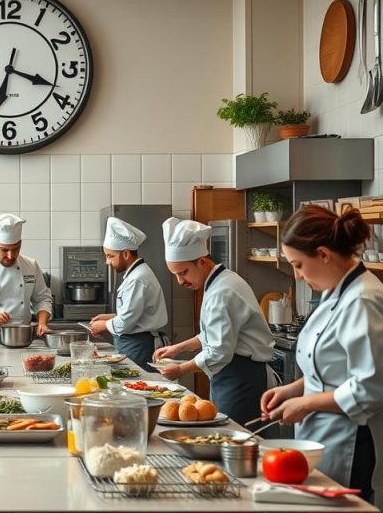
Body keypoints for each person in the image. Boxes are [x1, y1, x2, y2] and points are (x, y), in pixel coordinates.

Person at [260, 206, 383, 506]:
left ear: (324, 254)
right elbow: (330, 367)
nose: (297, 276)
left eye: (299, 265)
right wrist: (293, 389)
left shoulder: (363, 299)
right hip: (321, 436)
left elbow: (369, 388)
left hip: (351, 443)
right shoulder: (333, 292)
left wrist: (306, 403)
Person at [153, 217, 274, 424]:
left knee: (232, 440)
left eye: (183, 273)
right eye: (175, 274)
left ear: (202, 261)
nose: (180, 281)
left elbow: (219, 351)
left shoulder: (222, 292)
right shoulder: (219, 281)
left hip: (241, 378)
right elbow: (212, 333)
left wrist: (180, 369)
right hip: (232, 375)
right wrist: (177, 348)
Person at [89, 217, 168, 371]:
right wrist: (111, 317)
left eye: (110, 256)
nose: (107, 262)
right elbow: (136, 314)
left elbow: (126, 322)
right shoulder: (136, 274)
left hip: (140, 346)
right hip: (135, 344)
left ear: (125, 254)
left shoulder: (137, 279)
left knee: (139, 386)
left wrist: (104, 325)